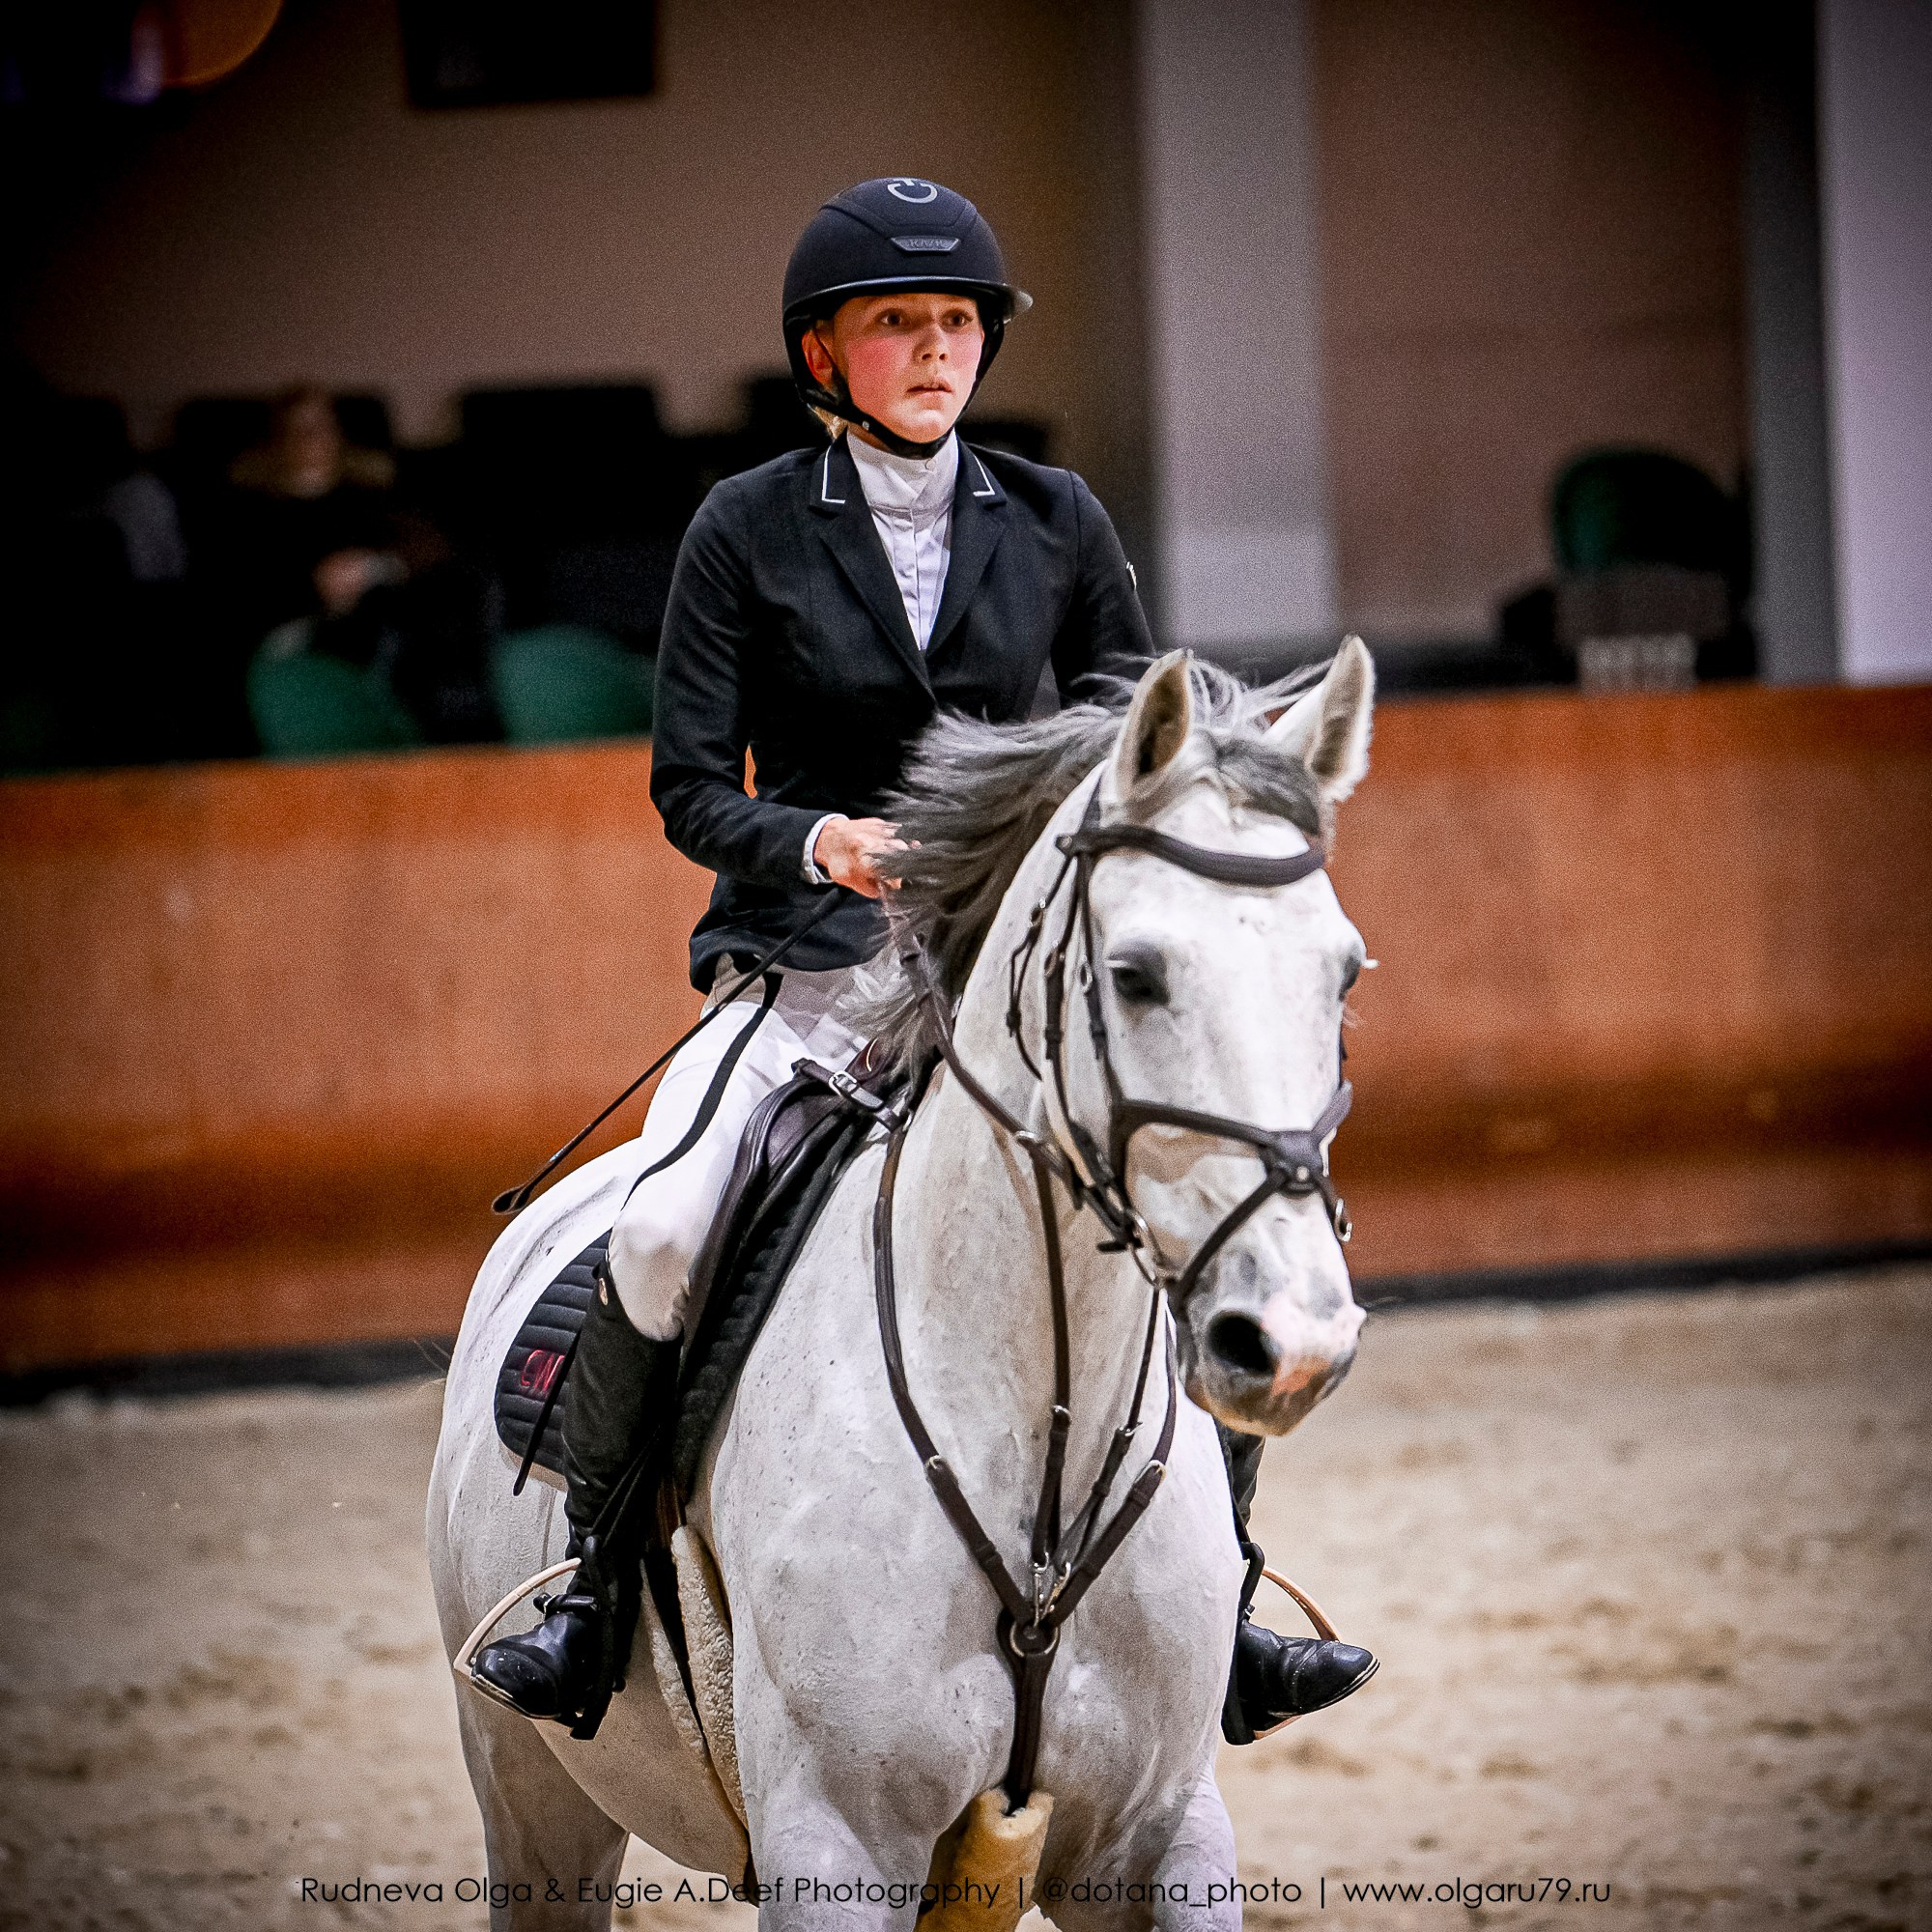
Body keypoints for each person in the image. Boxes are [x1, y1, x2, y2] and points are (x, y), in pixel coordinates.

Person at [471, 178, 1376, 1739]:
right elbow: (687, 784)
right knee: (671, 1233)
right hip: (808, 973)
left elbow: (1127, 752)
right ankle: (588, 1591)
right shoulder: (744, 526)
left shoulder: (1055, 517)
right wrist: (819, 841)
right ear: (825, 358)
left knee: (1183, 1220)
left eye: (957, 322)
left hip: (1006, 982)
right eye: (898, 322)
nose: (937, 348)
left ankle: (1223, 1605)